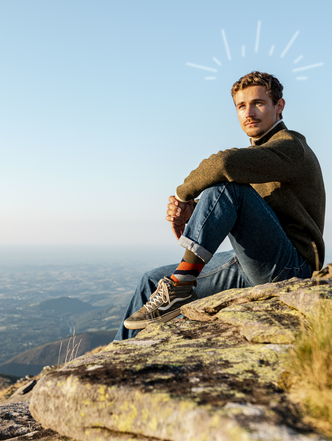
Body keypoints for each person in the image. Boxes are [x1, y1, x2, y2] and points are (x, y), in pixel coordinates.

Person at [115, 71, 326, 340]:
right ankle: (117, 353)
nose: (249, 112)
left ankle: (181, 284)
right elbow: (256, 211)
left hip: (292, 268)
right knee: (151, 281)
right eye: (241, 106)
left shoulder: (291, 147)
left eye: (258, 103)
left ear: (279, 106)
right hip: (251, 263)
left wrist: (182, 196)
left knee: (228, 183)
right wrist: (195, 211)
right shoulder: (262, 156)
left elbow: (223, 165)